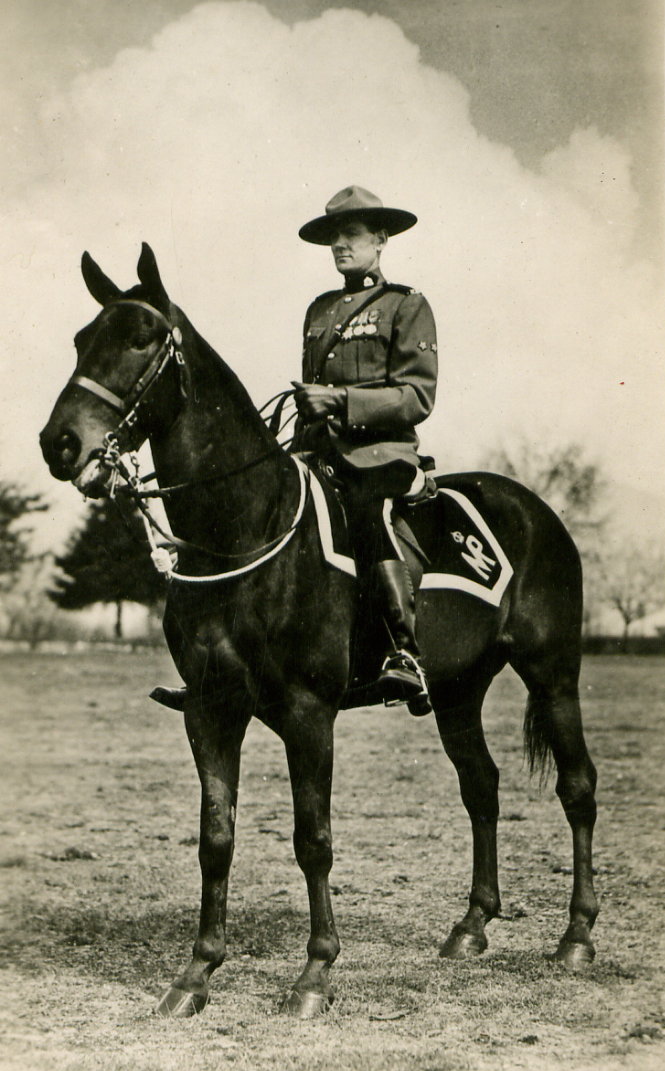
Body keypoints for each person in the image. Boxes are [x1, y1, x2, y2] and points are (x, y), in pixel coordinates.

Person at [291, 185, 438, 708]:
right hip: (319, 454)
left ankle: (405, 652)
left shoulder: (406, 305)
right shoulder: (318, 310)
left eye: (351, 234)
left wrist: (338, 400)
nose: (340, 245)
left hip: (379, 456)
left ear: (380, 239)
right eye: (334, 236)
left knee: (368, 510)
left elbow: (417, 396)